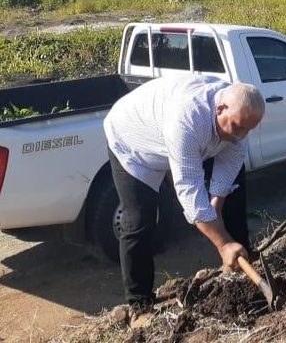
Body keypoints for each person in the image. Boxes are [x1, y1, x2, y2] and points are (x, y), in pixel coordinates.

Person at [103, 75, 265, 319]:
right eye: (237, 127)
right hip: (132, 142)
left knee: (234, 185)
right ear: (219, 108)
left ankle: (240, 256)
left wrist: (216, 207)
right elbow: (189, 190)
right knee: (139, 219)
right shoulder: (188, 119)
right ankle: (139, 303)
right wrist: (221, 243)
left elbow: (228, 170)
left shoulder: (238, 118)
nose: (241, 135)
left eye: (247, 129)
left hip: (173, 136)